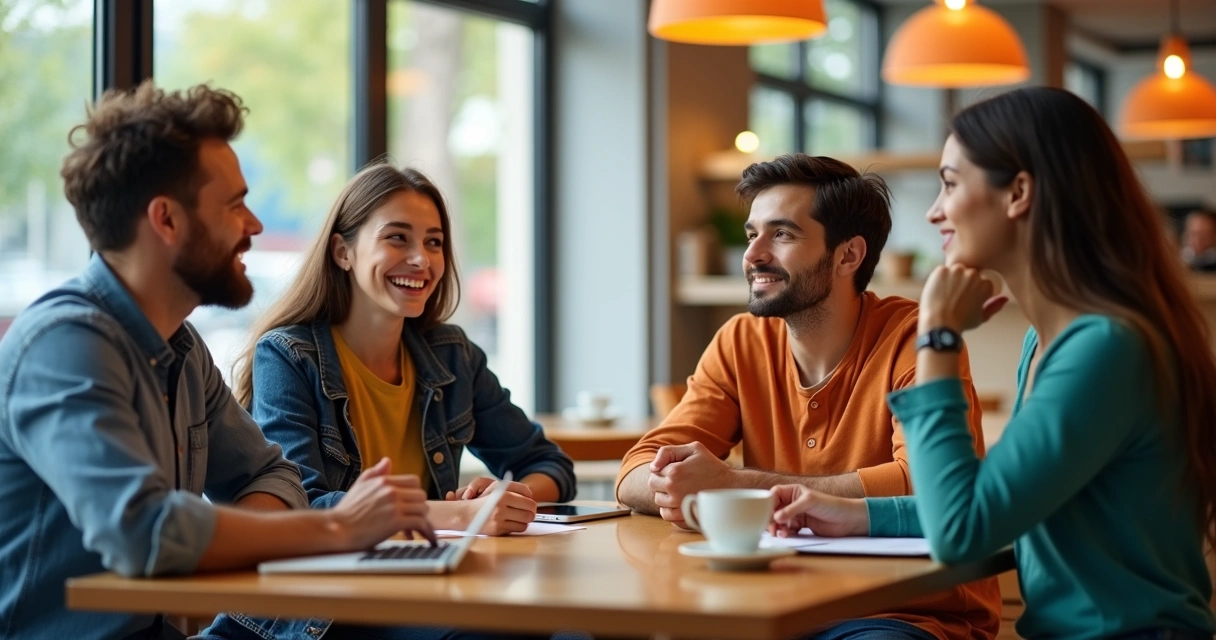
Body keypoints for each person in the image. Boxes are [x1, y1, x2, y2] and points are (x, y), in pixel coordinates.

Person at [770, 87, 1216, 640]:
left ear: (1019, 193)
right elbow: (998, 503)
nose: (934, 210)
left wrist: (937, 337)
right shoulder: (1049, 341)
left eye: (951, 183)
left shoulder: (1106, 348)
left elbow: (962, 530)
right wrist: (858, 516)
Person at [0, 81, 434, 640]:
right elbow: (143, 531)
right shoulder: (64, 345)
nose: (254, 225)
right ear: (166, 220)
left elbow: (273, 475)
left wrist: (226, 540)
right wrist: (336, 528)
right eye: (234, 205)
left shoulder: (181, 348)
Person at [615, 154, 1001, 640]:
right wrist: (677, 484)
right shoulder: (740, 341)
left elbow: (923, 485)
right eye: (752, 234)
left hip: (904, 612)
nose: (754, 255)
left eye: (782, 234)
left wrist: (735, 485)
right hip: (772, 605)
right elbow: (634, 471)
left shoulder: (916, 338)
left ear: (848, 255)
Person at [205, 163, 576, 640]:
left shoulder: (452, 355)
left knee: (571, 630)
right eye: (397, 238)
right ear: (343, 252)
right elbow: (300, 506)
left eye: (434, 242)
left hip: (423, 589)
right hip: (324, 610)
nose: (421, 259)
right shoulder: (289, 355)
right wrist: (463, 516)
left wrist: (510, 499)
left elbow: (549, 465)